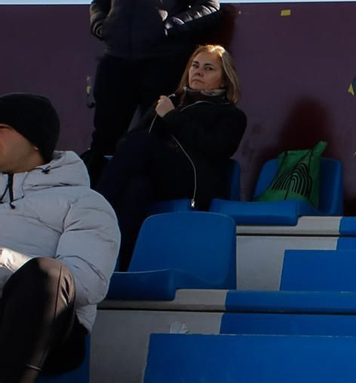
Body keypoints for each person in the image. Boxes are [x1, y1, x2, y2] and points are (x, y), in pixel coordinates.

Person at [0, 95, 120, 383]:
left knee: (49, 273)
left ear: (34, 140)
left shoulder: (84, 202)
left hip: (45, 330)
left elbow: (84, 282)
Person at [84, 0, 220, 182]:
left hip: (163, 63)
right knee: (103, 140)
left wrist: (167, 29)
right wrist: (102, 26)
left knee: (151, 138)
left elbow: (210, 5)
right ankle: (93, 205)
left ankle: (140, 212)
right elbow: (99, 0)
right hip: (116, 60)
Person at [97, 44, 247, 270]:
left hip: (194, 181)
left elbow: (216, 149)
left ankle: (93, 208)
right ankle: (123, 266)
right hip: (158, 177)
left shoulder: (231, 115)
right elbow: (127, 143)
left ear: (224, 80)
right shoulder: (170, 102)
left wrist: (171, 117)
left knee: (143, 144)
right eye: (195, 66)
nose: (198, 72)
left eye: (209, 69)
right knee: (137, 187)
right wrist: (161, 116)